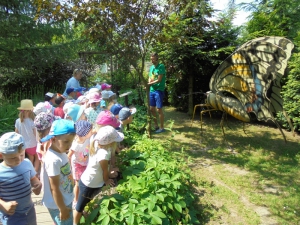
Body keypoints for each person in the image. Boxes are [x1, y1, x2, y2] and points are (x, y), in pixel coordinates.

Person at [73, 126, 124, 225]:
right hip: (89, 184)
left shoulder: (96, 143)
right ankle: (75, 223)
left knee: (87, 202)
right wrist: (107, 180)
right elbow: (104, 171)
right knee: (79, 207)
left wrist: (111, 170)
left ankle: (84, 216)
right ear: (110, 142)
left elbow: (101, 168)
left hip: (91, 180)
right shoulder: (103, 154)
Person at [0, 132, 42, 225]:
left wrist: (37, 184)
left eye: (22, 155)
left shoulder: (27, 163)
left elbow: (32, 178)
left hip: (29, 209)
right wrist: (4, 205)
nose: (19, 160)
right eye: (13, 158)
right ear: (1, 155)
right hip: (12, 215)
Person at [40, 119, 76, 225]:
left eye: (71, 141)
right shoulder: (53, 160)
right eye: (66, 141)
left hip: (65, 198)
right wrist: (62, 209)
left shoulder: (61, 152)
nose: (69, 145)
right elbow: (54, 188)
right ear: (54, 139)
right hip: (58, 205)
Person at [67, 120, 93, 209]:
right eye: (90, 130)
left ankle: (85, 197)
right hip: (77, 164)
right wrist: (67, 168)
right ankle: (75, 200)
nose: (92, 131)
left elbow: (96, 130)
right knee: (77, 183)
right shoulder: (76, 144)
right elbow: (69, 156)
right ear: (85, 133)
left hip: (86, 162)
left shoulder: (88, 137)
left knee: (85, 180)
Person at [15, 99, 39, 173]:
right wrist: (39, 141)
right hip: (34, 143)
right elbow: (36, 134)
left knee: (30, 159)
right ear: (30, 110)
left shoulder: (18, 121)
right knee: (37, 158)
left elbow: (16, 133)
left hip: (25, 145)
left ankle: (29, 173)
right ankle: (35, 173)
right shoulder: (33, 121)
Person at [148, 52, 166, 133]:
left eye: (153, 59)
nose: (152, 60)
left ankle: (162, 128)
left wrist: (149, 84)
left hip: (159, 90)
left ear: (157, 58)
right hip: (152, 90)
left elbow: (159, 79)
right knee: (152, 109)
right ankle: (156, 125)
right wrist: (149, 83)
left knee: (159, 109)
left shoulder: (161, 66)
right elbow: (150, 77)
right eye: (151, 59)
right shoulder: (152, 67)